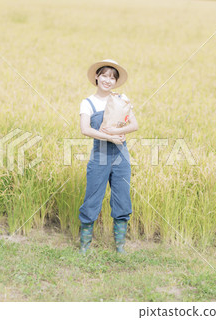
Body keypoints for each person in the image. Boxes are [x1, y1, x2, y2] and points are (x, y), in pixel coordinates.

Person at [78, 59, 139, 255]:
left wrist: (116, 131)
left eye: (112, 78)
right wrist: (110, 137)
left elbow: (134, 125)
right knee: (92, 197)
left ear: (116, 82)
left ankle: (120, 247)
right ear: (96, 77)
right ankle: (85, 246)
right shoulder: (88, 102)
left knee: (122, 198)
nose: (107, 80)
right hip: (100, 156)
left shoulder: (121, 100)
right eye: (104, 75)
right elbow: (85, 129)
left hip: (121, 156)